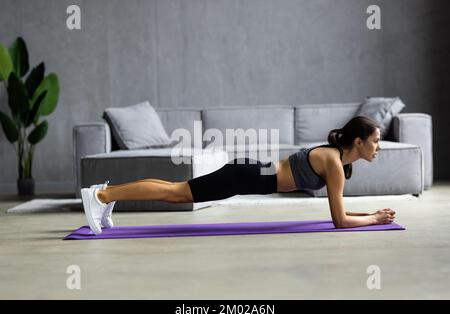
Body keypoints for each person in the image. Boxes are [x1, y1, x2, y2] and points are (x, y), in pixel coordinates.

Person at [81, 116, 396, 235]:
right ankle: (102, 196)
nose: (378, 147)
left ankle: (107, 194)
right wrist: (373, 219)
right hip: (245, 176)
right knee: (176, 193)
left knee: (175, 190)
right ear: (358, 142)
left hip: (248, 173)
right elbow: (339, 222)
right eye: (376, 141)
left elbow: (337, 212)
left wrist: (371, 214)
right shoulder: (334, 164)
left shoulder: (335, 159)